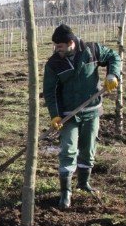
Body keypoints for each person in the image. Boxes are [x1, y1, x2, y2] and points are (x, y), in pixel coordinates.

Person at [43, 24, 121, 209]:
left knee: (88, 149)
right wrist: (55, 116)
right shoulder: (54, 63)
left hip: (92, 110)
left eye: (59, 46)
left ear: (71, 43)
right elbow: (49, 92)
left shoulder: (91, 50)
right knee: (68, 150)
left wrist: (112, 75)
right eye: (55, 46)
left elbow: (113, 56)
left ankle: (84, 183)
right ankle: (66, 192)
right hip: (68, 115)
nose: (57, 49)